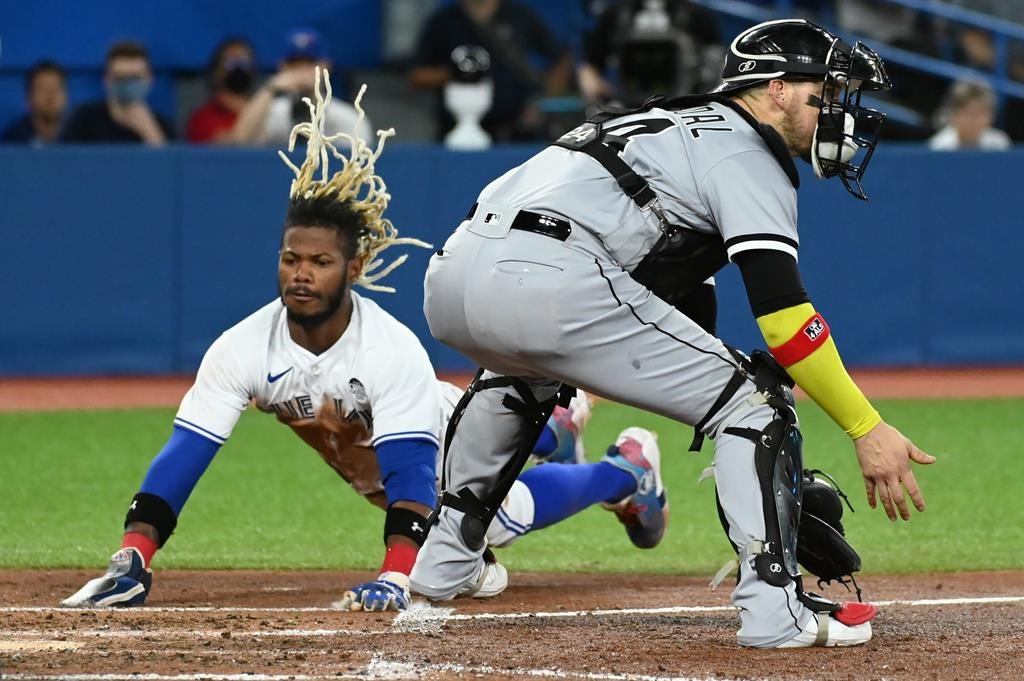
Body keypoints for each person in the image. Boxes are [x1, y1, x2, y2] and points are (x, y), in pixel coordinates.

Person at [409, 19, 936, 648]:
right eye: (823, 90)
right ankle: (774, 611)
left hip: (455, 273)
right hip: (556, 278)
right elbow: (785, 315)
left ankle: (443, 566)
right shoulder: (748, 150)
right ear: (774, 89)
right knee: (757, 402)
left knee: (518, 375)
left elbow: (673, 287)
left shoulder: (664, 123)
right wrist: (864, 427)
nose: (835, 108)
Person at [61, 69, 670, 612]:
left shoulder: (387, 348)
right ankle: (553, 428)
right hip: (379, 467)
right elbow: (184, 457)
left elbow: (409, 473)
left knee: (499, 524)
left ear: (352, 270)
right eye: (290, 257)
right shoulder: (243, 347)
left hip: (443, 446)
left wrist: (396, 573)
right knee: (484, 527)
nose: (301, 272)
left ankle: (626, 473)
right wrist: (132, 555)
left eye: (320, 261)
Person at [409, 0, 572, 142]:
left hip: (517, 133)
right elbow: (417, 75)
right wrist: (461, 73)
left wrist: (545, 99)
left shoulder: (520, 16)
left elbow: (561, 59)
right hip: (455, 133)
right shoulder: (443, 21)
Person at [230, 28, 372, 146]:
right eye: (294, 64)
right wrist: (270, 88)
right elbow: (239, 144)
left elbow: (361, 168)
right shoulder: (271, 113)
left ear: (326, 66)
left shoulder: (348, 118)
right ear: (281, 67)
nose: (301, 71)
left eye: (310, 63)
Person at [578, 0, 722, 106]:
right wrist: (601, 97)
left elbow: (717, 61)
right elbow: (590, 67)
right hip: (628, 105)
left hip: (683, 104)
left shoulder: (695, 15)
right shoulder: (615, 15)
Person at [60, 41, 173, 145]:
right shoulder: (84, 119)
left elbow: (174, 165)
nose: (128, 84)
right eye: (120, 78)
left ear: (149, 79)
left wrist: (150, 133)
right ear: (106, 80)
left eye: (135, 77)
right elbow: (60, 161)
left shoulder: (163, 125)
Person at [185, 38, 259, 144]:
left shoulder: (269, 113)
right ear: (217, 71)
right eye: (231, 62)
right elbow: (233, 144)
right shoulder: (202, 118)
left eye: (244, 62)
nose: (238, 68)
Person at [928, 79, 1012, 150]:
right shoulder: (938, 147)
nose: (973, 119)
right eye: (967, 113)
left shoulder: (1000, 144)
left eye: (979, 113)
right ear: (953, 114)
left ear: (991, 115)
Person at [1, 60, 67, 145]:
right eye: (43, 89)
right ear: (28, 97)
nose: (50, 96)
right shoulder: (14, 139)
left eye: (56, 89)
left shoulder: (79, 135)